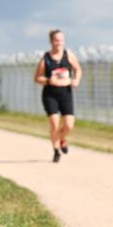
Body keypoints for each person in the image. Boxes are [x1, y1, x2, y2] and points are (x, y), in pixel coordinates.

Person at [34, 29, 82, 162]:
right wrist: (48, 80)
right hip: (50, 94)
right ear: (51, 41)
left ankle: (62, 139)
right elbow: (37, 78)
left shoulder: (69, 56)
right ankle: (56, 151)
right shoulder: (46, 59)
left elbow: (78, 69)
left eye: (61, 40)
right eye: (56, 40)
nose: (59, 43)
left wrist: (76, 80)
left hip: (66, 93)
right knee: (55, 124)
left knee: (69, 125)